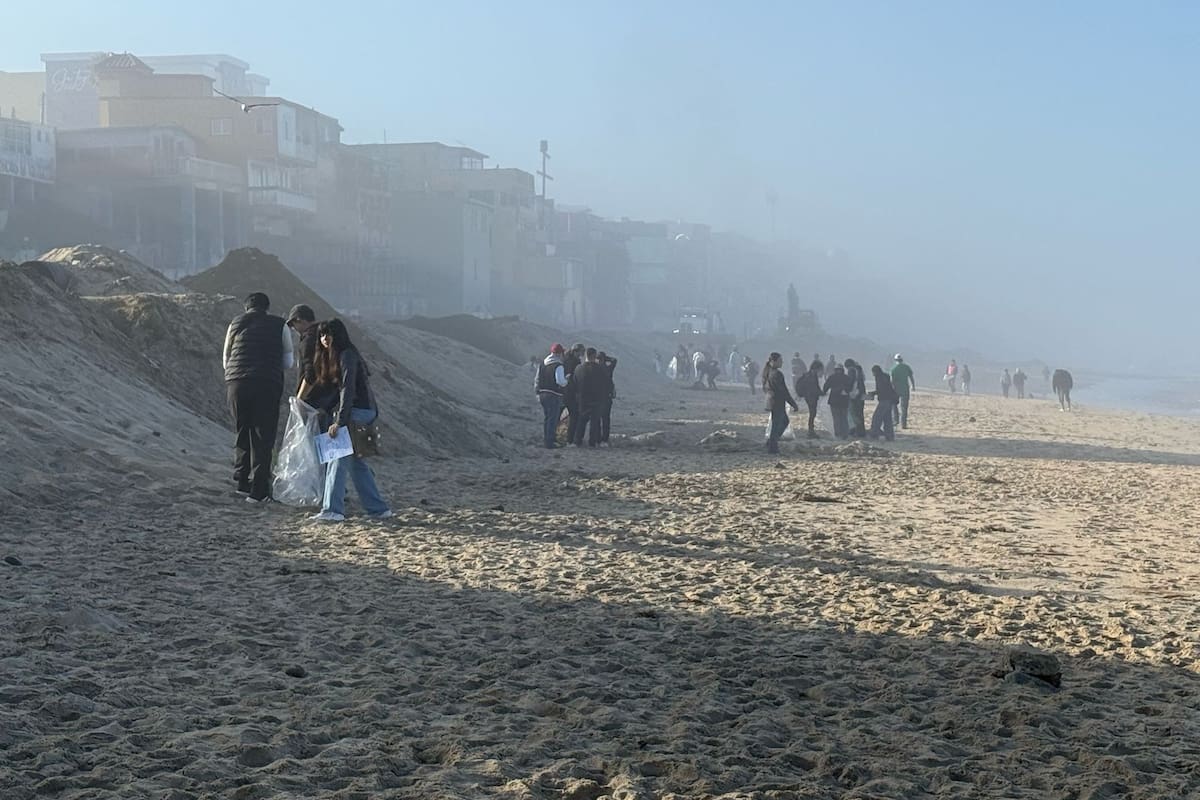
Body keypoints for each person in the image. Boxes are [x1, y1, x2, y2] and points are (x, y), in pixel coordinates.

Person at [311, 319, 391, 522]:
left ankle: (332, 510)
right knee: (357, 463)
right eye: (321, 335)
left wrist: (340, 421)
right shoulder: (338, 356)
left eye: (328, 334)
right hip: (363, 410)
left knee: (337, 458)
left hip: (358, 412)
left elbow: (348, 390)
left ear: (338, 335)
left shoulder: (347, 355)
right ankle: (378, 509)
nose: (324, 339)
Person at [223, 292, 294, 503]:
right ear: (267, 307)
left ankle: (242, 482)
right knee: (263, 436)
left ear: (246, 308)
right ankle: (259, 491)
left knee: (242, 430)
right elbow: (289, 362)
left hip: (236, 383)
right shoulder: (279, 325)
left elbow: (226, 359)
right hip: (266, 383)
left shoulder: (235, 323)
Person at [572, 348, 609, 447]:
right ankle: (593, 442)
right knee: (595, 422)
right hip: (597, 398)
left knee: (582, 420)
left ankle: (577, 441)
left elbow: (574, 383)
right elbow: (606, 383)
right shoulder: (601, 368)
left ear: (586, 355)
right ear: (594, 356)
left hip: (583, 398)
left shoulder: (578, 368)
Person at [763, 352, 799, 454]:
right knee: (777, 424)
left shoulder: (768, 372)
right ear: (773, 361)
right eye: (780, 361)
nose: (782, 362)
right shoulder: (777, 374)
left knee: (782, 422)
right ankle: (772, 446)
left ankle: (771, 442)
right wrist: (793, 403)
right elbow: (784, 391)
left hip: (772, 400)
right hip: (777, 401)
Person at [535, 343, 569, 448]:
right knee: (553, 419)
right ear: (560, 354)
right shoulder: (558, 365)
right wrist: (566, 379)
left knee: (547, 418)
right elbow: (560, 381)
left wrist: (537, 392)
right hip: (553, 394)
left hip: (542, 394)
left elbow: (537, 379)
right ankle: (550, 442)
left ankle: (547, 439)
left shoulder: (543, 364)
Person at [286, 304, 320, 404]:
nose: (293, 329)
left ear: (300, 320)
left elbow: (311, 374)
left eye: (293, 325)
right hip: (328, 400)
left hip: (313, 399)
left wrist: (299, 399)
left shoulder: (308, 340)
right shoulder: (323, 335)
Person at [868, 365, 899, 441]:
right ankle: (890, 436)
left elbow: (882, 389)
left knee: (876, 418)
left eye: (873, 372)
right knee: (887, 419)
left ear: (875, 372)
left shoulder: (879, 378)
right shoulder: (885, 376)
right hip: (889, 400)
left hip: (884, 400)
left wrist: (873, 393)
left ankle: (874, 434)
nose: (873, 374)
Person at [794, 364, 823, 439]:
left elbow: (816, 387)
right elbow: (812, 388)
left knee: (813, 413)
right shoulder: (809, 376)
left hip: (812, 397)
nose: (820, 371)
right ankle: (810, 432)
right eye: (819, 369)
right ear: (815, 369)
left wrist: (820, 392)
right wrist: (820, 393)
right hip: (810, 397)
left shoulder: (812, 375)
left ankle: (811, 431)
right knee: (812, 413)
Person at [823, 364, 852, 439]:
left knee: (836, 419)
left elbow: (826, 386)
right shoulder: (847, 378)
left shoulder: (832, 377)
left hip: (834, 401)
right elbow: (850, 388)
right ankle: (845, 434)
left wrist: (823, 393)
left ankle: (838, 434)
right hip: (844, 401)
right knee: (844, 418)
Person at [890, 354, 915, 429]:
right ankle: (903, 424)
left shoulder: (893, 368)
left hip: (895, 390)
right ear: (902, 360)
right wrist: (913, 386)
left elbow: (891, 381)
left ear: (895, 360)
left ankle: (895, 421)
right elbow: (911, 377)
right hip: (905, 390)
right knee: (904, 407)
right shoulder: (906, 367)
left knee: (894, 405)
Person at [598, 351, 618, 444]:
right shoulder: (608, 368)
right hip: (607, 396)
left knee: (596, 418)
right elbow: (614, 360)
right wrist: (607, 358)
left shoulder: (595, 368)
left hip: (597, 396)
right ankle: (605, 439)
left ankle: (597, 438)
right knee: (606, 419)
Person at [844, 358, 867, 438]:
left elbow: (851, 382)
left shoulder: (851, 370)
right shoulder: (859, 370)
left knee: (854, 414)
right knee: (860, 414)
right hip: (861, 395)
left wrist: (846, 391)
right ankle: (861, 432)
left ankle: (856, 431)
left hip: (855, 395)